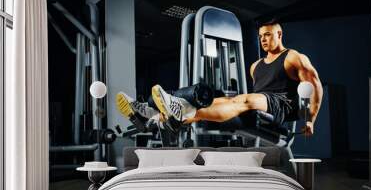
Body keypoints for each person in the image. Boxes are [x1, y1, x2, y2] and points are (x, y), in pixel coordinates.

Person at [116, 20, 323, 136]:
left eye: (268, 35)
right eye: (260, 36)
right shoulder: (255, 66)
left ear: (279, 34)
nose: (263, 39)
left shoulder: (293, 57)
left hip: (283, 109)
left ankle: (171, 109)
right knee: (216, 102)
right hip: (261, 108)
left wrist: (310, 120)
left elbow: (314, 86)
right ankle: (149, 113)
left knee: (245, 99)